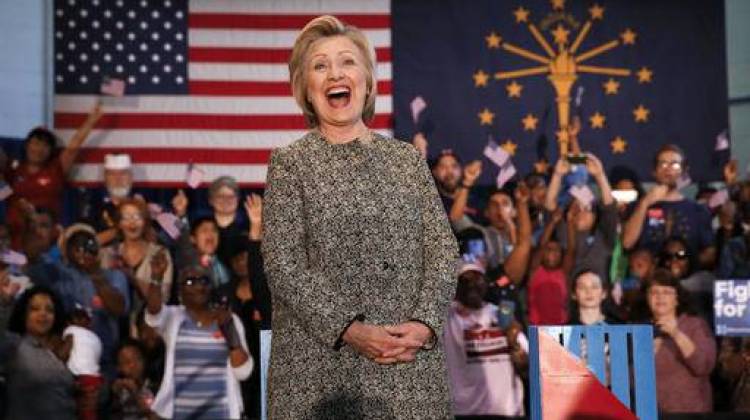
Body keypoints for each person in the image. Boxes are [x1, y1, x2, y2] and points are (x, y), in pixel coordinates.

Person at [262, 15, 458, 419]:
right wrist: (351, 330)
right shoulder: (290, 164)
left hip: (408, 370)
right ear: (307, 90)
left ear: (368, 82)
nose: (335, 73)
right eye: (320, 65)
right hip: (320, 376)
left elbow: (443, 249)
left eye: (347, 61)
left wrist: (424, 324)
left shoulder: (406, 160)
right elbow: (284, 265)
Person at [145, 264, 253, 420]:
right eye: (190, 281)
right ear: (180, 291)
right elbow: (153, 315)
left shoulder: (229, 320)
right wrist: (156, 277)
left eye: (204, 280)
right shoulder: (173, 318)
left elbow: (243, 372)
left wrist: (228, 329)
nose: (198, 286)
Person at [0, 102, 103, 246]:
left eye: (45, 145)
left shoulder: (55, 170)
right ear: (27, 145)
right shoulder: (13, 169)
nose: (39, 148)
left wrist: (91, 120)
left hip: (47, 244)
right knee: (12, 264)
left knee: (44, 265)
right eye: (35, 142)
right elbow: (4, 193)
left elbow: (74, 147)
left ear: (50, 150)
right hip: (14, 244)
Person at [444, 263, 527, 418]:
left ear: (486, 284)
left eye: (477, 279)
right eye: (465, 280)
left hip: (506, 411)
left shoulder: (500, 313)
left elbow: (526, 367)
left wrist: (514, 343)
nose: (472, 284)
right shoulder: (448, 317)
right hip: (465, 412)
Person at [622, 144, 715, 267]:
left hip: (687, 280)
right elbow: (627, 243)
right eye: (663, 164)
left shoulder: (698, 210)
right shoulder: (637, 207)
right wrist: (644, 203)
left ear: (684, 171)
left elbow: (709, 251)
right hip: (646, 278)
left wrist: (686, 265)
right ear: (654, 172)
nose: (668, 169)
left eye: (675, 164)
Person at [642, 268, 716, 413]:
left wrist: (676, 334)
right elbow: (628, 378)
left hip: (690, 412)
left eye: (666, 292)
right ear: (647, 298)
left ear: (677, 298)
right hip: (650, 412)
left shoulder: (695, 325)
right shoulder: (640, 329)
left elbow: (703, 366)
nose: (660, 297)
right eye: (654, 292)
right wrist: (646, 357)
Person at [0, 285, 76, 419]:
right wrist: (4, 303)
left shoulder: (59, 349)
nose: (43, 314)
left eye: (50, 310)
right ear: (23, 314)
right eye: (34, 309)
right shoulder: (14, 344)